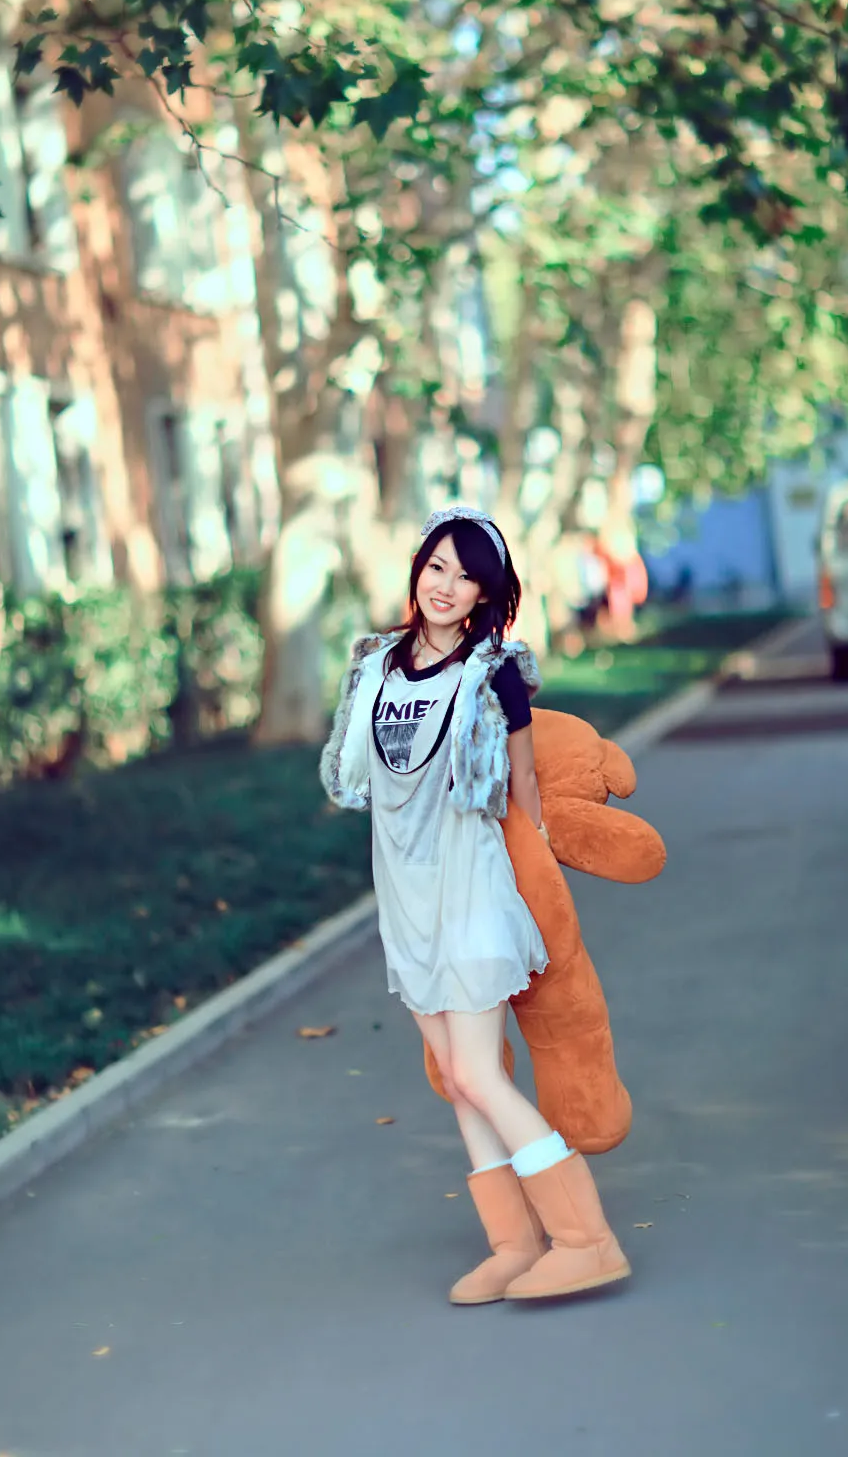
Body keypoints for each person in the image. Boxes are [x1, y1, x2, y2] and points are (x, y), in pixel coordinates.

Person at [320, 505, 630, 1306]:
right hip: (405, 897)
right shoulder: (377, 666)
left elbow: (522, 785)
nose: (446, 586)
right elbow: (359, 777)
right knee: (458, 1081)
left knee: (475, 1072)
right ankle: (512, 1244)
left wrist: (538, 874)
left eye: (466, 576)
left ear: (486, 593)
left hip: (470, 889)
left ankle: (585, 1239)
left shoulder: (493, 672)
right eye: (436, 567)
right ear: (417, 570)